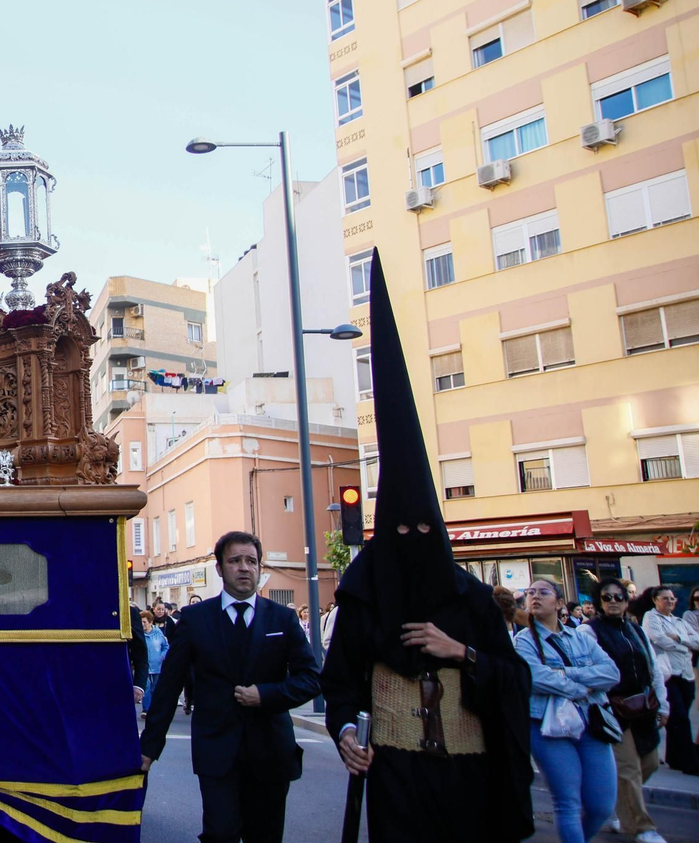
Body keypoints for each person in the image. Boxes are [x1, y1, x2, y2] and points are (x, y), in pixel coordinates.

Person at [320, 252, 535, 843]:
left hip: (470, 775)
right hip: (395, 775)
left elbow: (515, 679)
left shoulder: (468, 598)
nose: (412, 545)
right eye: (400, 533)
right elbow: (339, 681)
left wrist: (460, 651)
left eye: (424, 533)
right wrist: (344, 733)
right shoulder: (365, 596)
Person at [139, 531, 320, 843]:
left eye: (251, 561)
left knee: (265, 836)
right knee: (220, 833)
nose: (244, 567)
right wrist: (149, 749)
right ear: (220, 568)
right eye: (235, 561)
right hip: (217, 752)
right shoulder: (195, 620)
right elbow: (169, 686)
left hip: (271, 753)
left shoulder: (282, 619)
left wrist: (266, 695)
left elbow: (310, 679)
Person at [515, 578, 619, 843]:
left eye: (543, 592)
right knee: (567, 801)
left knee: (601, 806)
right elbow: (535, 677)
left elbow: (611, 673)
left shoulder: (580, 636)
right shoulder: (523, 641)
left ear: (559, 602)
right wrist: (579, 687)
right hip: (546, 725)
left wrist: (565, 673)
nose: (535, 597)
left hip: (591, 722)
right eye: (530, 593)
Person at [589, 577, 671, 843]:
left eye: (619, 597)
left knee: (648, 763)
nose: (614, 602)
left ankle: (612, 805)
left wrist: (663, 703)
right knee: (628, 769)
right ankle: (642, 828)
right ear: (598, 602)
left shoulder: (636, 630)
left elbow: (653, 668)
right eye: (607, 597)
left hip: (644, 708)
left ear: (627, 601)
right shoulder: (589, 631)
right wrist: (600, 705)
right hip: (613, 710)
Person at [643, 585, 699, 774]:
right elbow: (658, 639)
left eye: (672, 598)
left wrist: (679, 639)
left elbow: (697, 641)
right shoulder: (651, 617)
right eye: (665, 598)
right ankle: (690, 762)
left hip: (686, 674)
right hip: (668, 674)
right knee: (680, 718)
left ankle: (674, 758)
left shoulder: (678, 621)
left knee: (679, 717)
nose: (670, 601)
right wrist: (685, 645)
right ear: (656, 600)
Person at [140, 610, 167, 713]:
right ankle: (146, 709)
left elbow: (165, 646)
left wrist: (162, 656)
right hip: (145, 665)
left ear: (150, 622)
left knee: (155, 688)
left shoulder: (158, 633)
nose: (142, 625)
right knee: (146, 687)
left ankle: (154, 708)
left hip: (157, 665)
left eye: (144, 622)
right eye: (141, 622)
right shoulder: (139, 634)